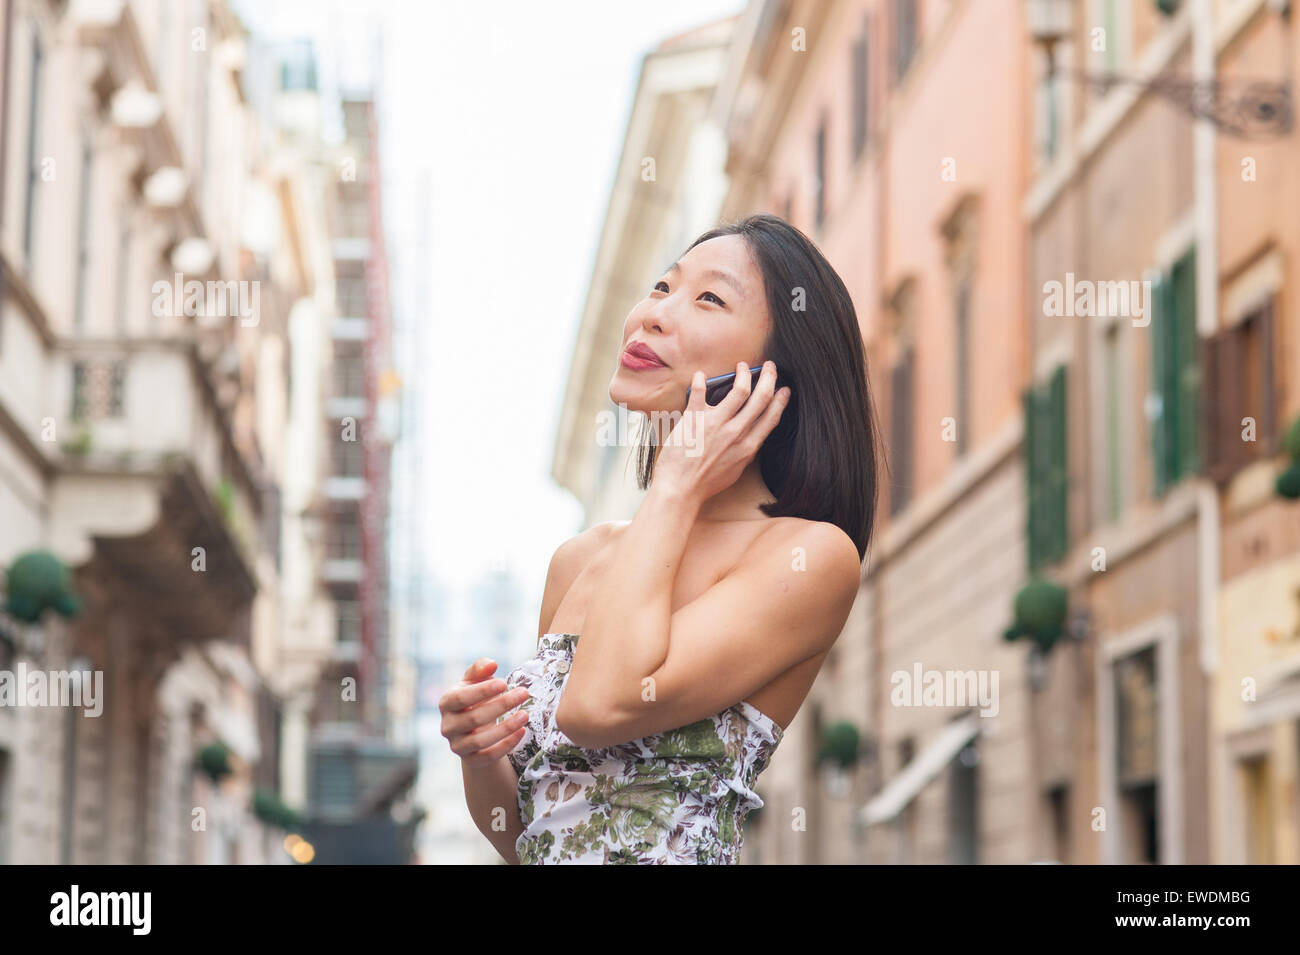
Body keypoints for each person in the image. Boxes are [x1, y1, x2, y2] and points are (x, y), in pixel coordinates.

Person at [444, 213, 883, 864]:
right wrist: (481, 754)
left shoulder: (808, 557)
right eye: (661, 286)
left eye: (709, 298)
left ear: (775, 370)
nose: (654, 313)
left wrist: (676, 482)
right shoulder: (580, 560)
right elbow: (530, 833)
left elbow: (598, 704)